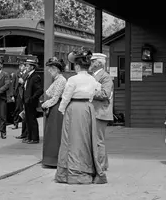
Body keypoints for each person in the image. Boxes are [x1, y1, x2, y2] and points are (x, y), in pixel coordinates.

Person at [55, 50, 107, 185]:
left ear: (77, 66)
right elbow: (98, 90)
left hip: (74, 108)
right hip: (88, 108)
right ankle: (86, 169)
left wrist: (61, 109)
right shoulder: (92, 79)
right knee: (86, 138)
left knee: (70, 139)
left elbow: (66, 96)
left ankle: (68, 171)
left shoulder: (73, 79)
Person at [40, 57, 68, 168]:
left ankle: (54, 160)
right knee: (51, 133)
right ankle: (50, 159)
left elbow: (55, 98)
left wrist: (45, 104)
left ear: (56, 69)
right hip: (54, 108)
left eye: (51, 68)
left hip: (57, 108)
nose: (49, 70)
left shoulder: (61, 80)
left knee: (54, 133)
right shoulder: (58, 79)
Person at [89, 52, 114, 171]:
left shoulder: (105, 77)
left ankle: (101, 165)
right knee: (96, 139)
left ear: (98, 63)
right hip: (96, 111)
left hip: (100, 112)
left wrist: (88, 92)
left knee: (98, 140)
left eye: (92, 61)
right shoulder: (94, 75)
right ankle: (102, 164)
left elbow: (105, 94)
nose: (90, 63)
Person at [21, 55, 43, 144]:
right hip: (26, 101)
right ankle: (29, 137)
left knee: (32, 120)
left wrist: (32, 99)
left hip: (31, 102)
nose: (26, 67)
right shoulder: (29, 76)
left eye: (27, 66)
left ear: (32, 67)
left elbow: (39, 90)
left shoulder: (35, 76)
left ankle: (35, 138)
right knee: (28, 120)